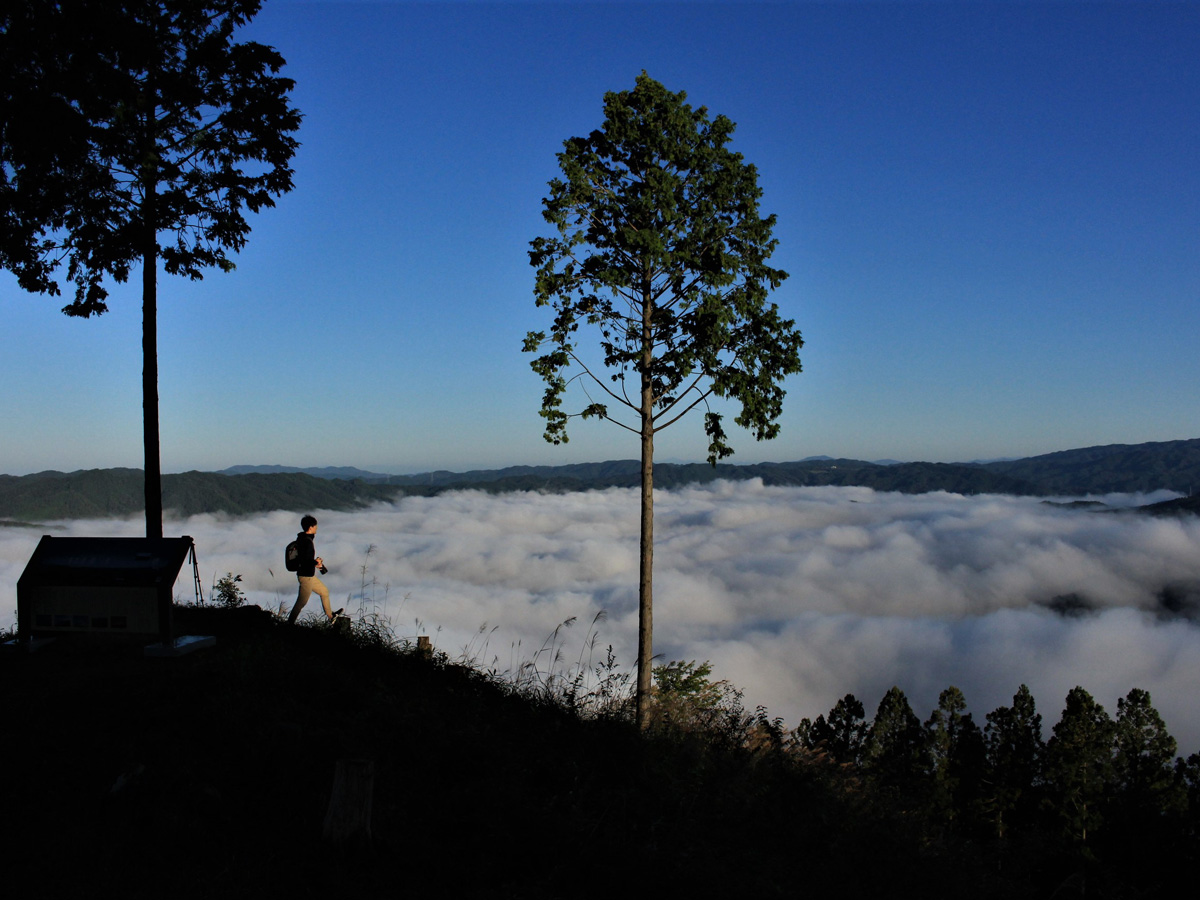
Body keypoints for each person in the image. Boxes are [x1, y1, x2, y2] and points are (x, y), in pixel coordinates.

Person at [287, 514, 342, 624]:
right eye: (315, 526)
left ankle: (331, 617)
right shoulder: (306, 542)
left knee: (324, 592)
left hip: (309, 576)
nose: (317, 528)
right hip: (305, 577)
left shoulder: (302, 539)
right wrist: (316, 562)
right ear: (311, 527)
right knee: (301, 602)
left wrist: (314, 562)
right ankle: (289, 624)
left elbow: (305, 559)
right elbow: (304, 560)